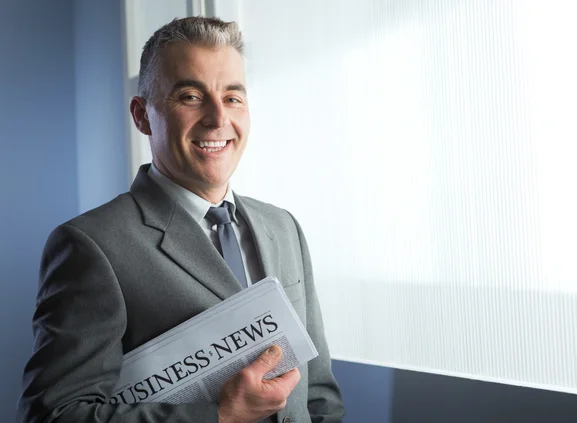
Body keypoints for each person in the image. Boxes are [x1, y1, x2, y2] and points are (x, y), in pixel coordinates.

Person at [17, 16, 344, 423]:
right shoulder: (91, 246)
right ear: (142, 115)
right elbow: (54, 415)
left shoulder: (284, 227)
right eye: (190, 96)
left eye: (232, 97)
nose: (217, 118)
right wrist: (219, 415)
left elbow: (319, 395)